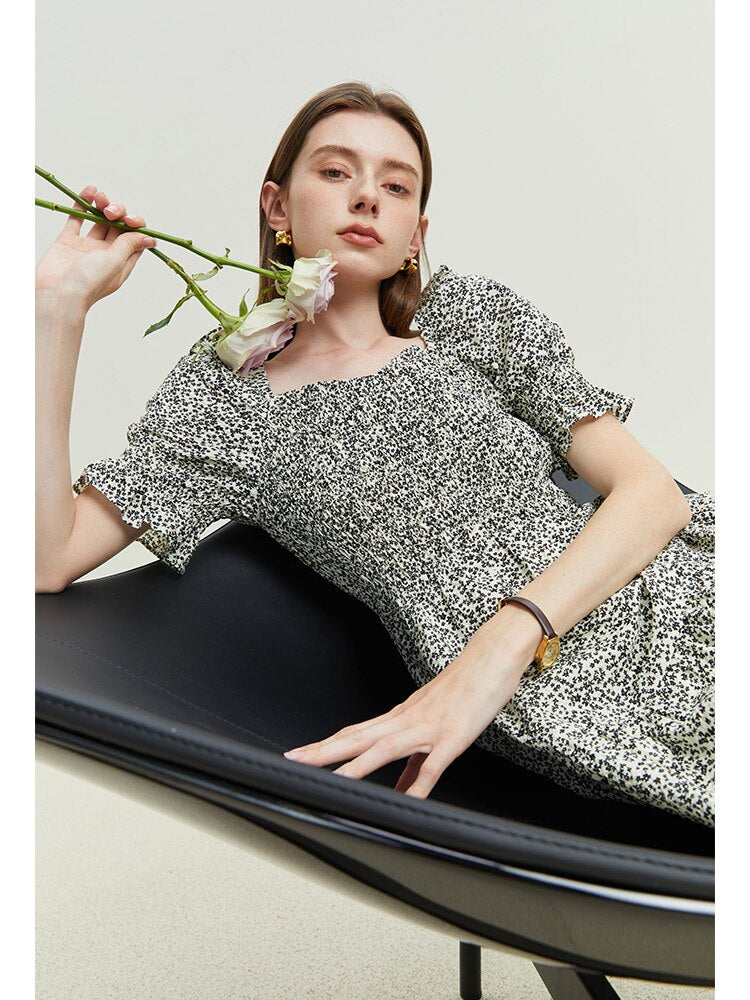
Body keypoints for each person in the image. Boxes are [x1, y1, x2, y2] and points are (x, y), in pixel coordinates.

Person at [35, 82, 714, 826]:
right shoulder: (229, 396)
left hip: (663, 600)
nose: (366, 197)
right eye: (336, 172)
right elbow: (47, 556)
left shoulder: (469, 318)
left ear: (414, 235)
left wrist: (503, 646)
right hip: (564, 701)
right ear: (276, 208)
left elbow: (653, 494)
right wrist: (57, 308)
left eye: (396, 186)